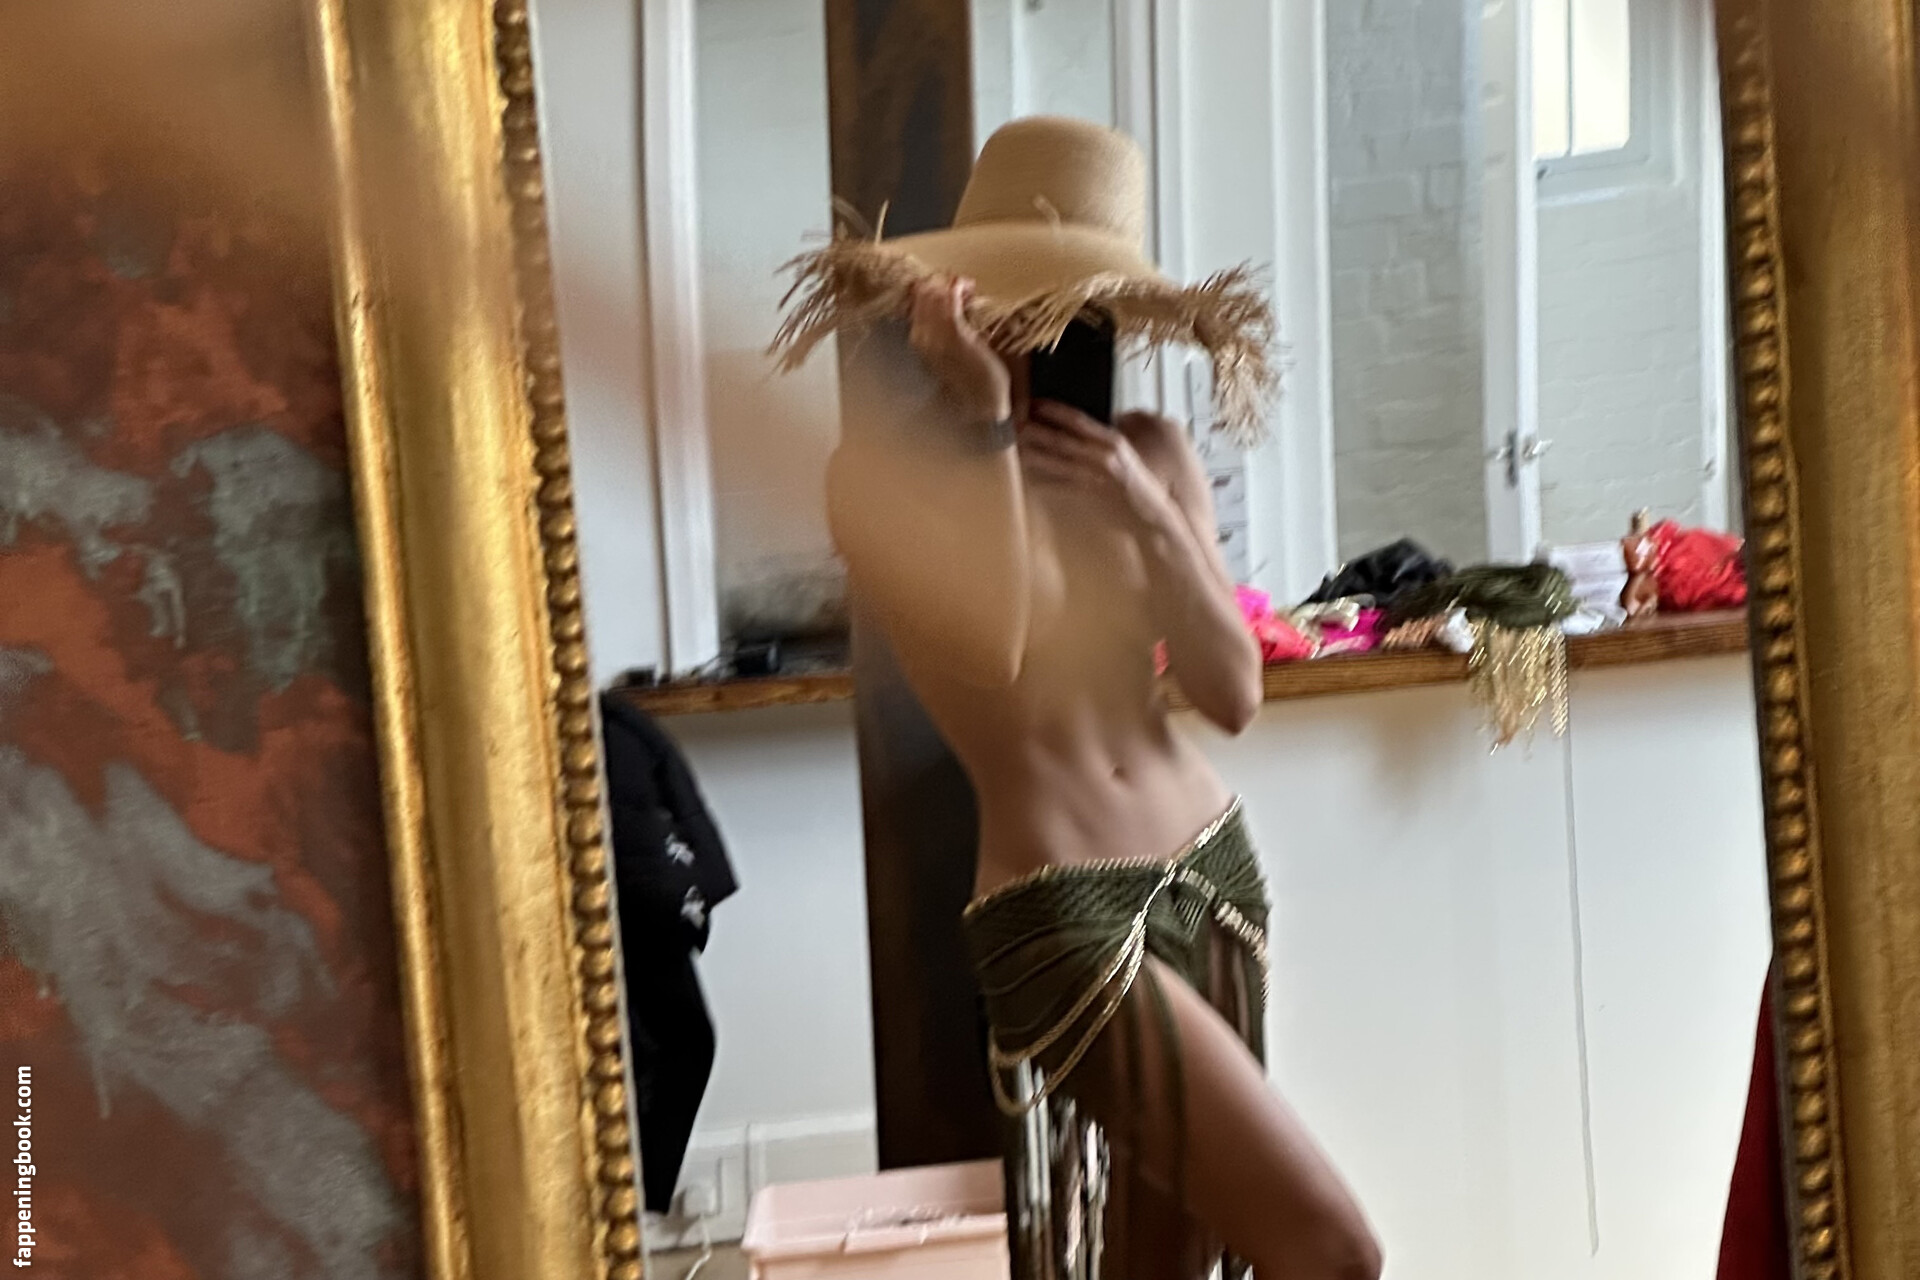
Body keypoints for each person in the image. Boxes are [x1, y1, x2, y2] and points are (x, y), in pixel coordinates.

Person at [777, 117, 1379, 1280]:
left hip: (1214, 874)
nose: (1053, 330)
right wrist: (987, 423)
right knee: (1332, 1245)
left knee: (1171, 1263)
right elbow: (998, 641)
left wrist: (1147, 512)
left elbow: (1233, 690)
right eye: (1029, 301)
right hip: (1064, 913)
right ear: (963, 302)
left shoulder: (1150, 454)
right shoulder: (882, 478)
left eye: (1084, 307)